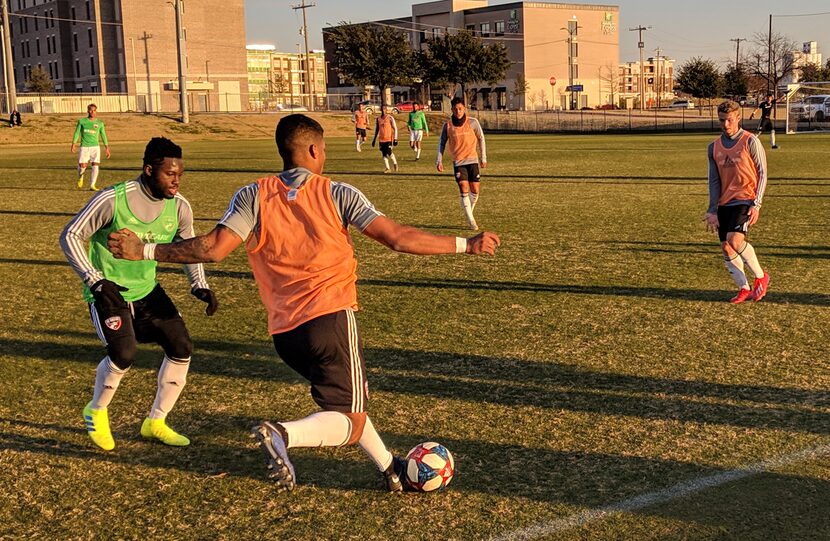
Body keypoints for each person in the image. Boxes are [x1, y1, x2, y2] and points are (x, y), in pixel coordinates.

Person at [107, 114, 501, 492]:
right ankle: (283, 434)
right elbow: (396, 237)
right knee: (349, 416)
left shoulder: (253, 195)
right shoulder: (336, 192)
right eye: (324, 148)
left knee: (344, 401)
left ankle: (390, 468)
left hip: (285, 332)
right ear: (314, 150)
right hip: (329, 316)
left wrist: (144, 249)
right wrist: (466, 244)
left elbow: (212, 249)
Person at [59, 137, 219, 451]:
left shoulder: (180, 206)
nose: (176, 180)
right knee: (124, 353)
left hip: (147, 290)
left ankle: (156, 422)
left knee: (182, 347)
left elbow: (188, 249)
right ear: (148, 170)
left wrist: (199, 285)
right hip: (108, 292)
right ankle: (96, 410)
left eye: (180, 174)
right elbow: (71, 235)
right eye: (169, 174)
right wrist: (95, 281)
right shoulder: (113, 199)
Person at [704, 100, 770, 304]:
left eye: (729, 120)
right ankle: (744, 288)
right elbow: (714, 181)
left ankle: (760, 276)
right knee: (726, 247)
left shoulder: (751, 141)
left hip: (745, 199)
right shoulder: (713, 147)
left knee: (735, 240)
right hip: (724, 203)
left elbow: (763, 172)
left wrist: (756, 204)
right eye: (722, 120)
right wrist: (712, 210)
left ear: (738, 118)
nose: (725, 124)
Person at [436, 97, 488, 231]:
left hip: (473, 160)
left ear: (464, 108)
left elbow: (481, 138)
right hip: (458, 162)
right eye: (455, 109)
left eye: (460, 108)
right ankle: (471, 220)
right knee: (464, 187)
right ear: (452, 110)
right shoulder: (447, 126)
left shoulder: (473, 122)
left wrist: (483, 157)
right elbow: (442, 143)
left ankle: (468, 211)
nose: (458, 111)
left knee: (475, 190)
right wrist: (439, 160)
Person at [71, 103, 111, 191]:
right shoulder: (82, 121)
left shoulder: (100, 123)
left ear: (96, 111)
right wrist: (73, 144)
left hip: (95, 147)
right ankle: (80, 176)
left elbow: (103, 135)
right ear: (88, 111)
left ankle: (92, 185)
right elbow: (77, 133)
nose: (92, 112)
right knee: (83, 166)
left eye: (94, 110)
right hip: (84, 147)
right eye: (91, 110)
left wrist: (107, 147)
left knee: (95, 165)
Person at [371, 104, 398, 173]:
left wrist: (395, 138)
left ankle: (395, 163)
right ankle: (387, 168)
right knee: (383, 154)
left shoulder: (390, 118)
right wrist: (374, 140)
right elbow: (376, 129)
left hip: (389, 138)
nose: (383, 110)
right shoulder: (378, 118)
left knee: (389, 152)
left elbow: (395, 128)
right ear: (381, 110)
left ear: (386, 110)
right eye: (382, 109)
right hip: (381, 139)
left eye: (384, 109)